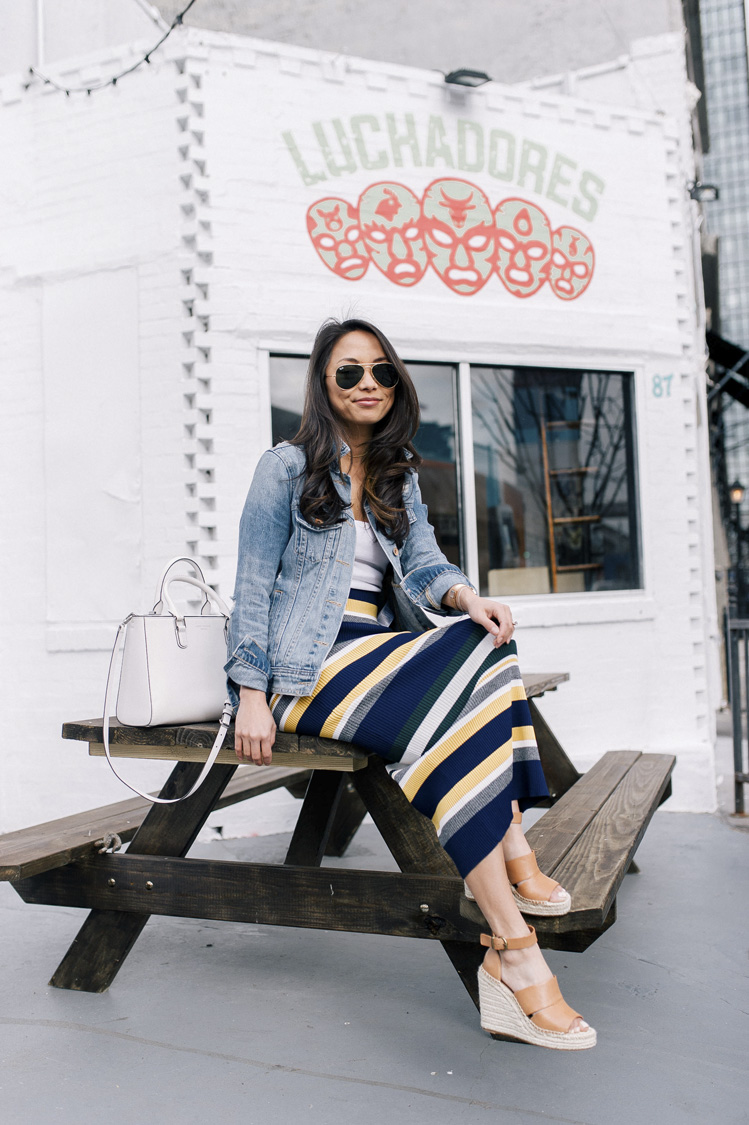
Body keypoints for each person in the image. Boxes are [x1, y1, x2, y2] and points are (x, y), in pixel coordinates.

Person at [225, 317, 595, 1050]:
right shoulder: (284, 466)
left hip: (376, 653)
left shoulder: (398, 475)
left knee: (486, 640)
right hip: (306, 666)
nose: (368, 385)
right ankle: (514, 921)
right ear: (322, 385)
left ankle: (511, 944)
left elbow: (426, 565)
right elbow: (252, 586)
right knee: (460, 701)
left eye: (381, 372)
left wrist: (467, 597)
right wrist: (252, 694)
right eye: (349, 372)